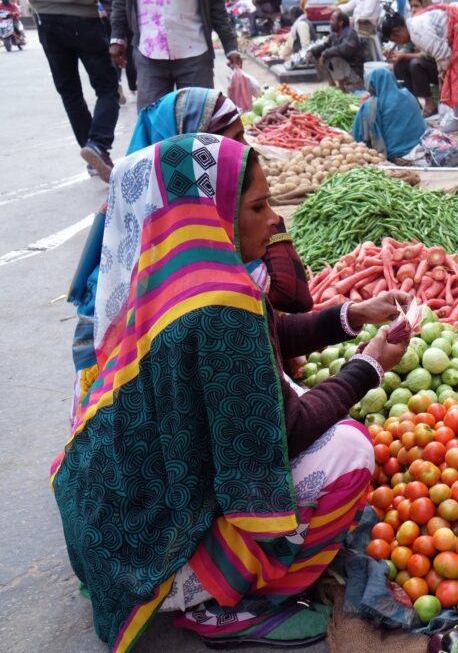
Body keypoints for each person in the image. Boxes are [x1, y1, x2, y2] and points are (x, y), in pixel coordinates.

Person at [54, 133, 413, 650]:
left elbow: (268, 334)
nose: (275, 220)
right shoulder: (223, 305)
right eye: (259, 206)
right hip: (149, 556)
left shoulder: (166, 271)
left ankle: (198, 577)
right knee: (351, 451)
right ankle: (215, 602)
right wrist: (368, 368)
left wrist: (351, 315)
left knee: (282, 394)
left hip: (104, 529)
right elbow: (283, 435)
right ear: (215, 211)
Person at [68, 87, 315, 409]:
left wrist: (348, 318)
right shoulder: (201, 291)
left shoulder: (159, 215)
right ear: (196, 153)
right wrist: (364, 370)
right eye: (233, 139)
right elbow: (292, 295)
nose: (242, 149)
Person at [0, 0, 120, 181]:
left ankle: (93, 154)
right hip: (85, 19)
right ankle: (98, 144)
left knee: (70, 92)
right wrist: (117, 23)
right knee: (108, 88)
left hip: (47, 21)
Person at [109, 0, 243, 110]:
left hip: (195, 55)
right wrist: (117, 37)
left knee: (199, 122)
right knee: (152, 123)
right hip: (149, 55)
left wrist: (230, 46)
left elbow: (215, 2)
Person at [381, 5, 458, 132]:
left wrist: (442, 73)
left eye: (395, 39)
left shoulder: (417, 31)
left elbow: (444, 55)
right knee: (450, 72)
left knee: (455, 71)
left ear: (398, 31)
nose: (398, 43)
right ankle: (456, 117)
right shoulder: (413, 26)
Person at [352, 68, 428, 161]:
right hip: (421, 144)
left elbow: (357, 137)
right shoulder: (407, 94)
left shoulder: (371, 105)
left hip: (395, 153)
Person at [307, 10, 364, 91]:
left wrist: (324, 54)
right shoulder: (334, 34)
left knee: (334, 58)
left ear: (340, 23)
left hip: (355, 72)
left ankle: (343, 88)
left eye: (332, 20)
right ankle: (332, 85)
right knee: (315, 55)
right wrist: (311, 51)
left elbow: (343, 50)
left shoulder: (351, 34)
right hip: (344, 69)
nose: (329, 22)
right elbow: (325, 45)